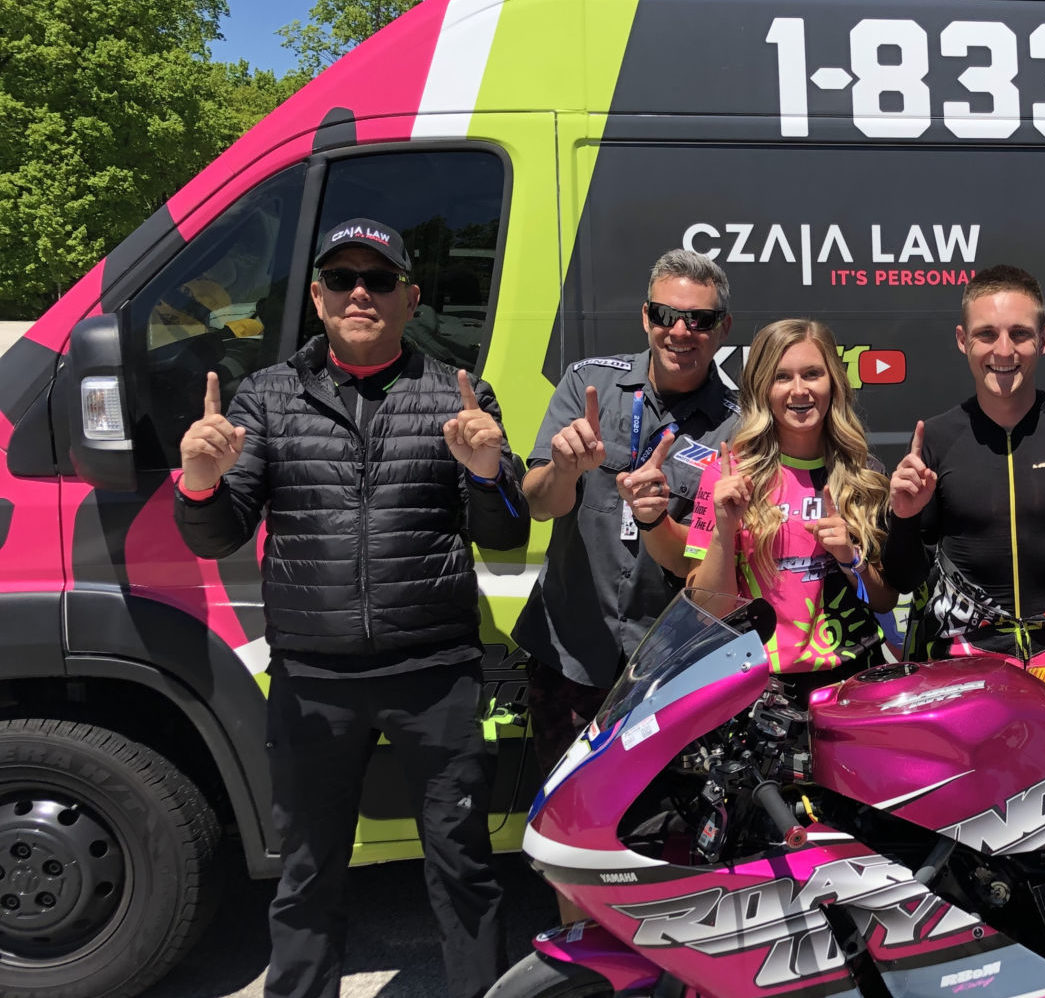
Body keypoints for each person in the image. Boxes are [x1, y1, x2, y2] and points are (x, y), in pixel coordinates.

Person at [174, 217, 524, 998]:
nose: (359, 292)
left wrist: (486, 470)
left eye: (379, 279)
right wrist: (200, 481)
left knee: (465, 868)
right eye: (342, 279)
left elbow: (504, 534)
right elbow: (217, 532)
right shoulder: (267, 394)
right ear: (318, 297)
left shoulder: (457, 392)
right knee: (306, 875)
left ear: (411, 297)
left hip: (437, 675)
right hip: (312, 678)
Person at [512, 249, 739, 920]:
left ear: (723, 328)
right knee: (573, 847)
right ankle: (586, 980)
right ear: (646, 317)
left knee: (669, 849)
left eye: (700, 320)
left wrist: (664, 516)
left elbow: (723, 559)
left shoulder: (738, 420)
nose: (682, 331)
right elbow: (537, 503)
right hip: (572, 656)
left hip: (671, 671)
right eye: (668, 315)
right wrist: (562, 469)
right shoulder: (589, 383)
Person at [882, 265, 1045, 709]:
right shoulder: (937, 438)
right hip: (966, 673)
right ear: (962, 340)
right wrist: (903, 517)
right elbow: (903, 579)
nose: (1003, 350)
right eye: (986, 334)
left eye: (1019, 334)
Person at [679, 319, 896, 685]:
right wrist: (724, 530)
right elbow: (708, 612)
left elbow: (884, 601)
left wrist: (850, 558)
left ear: (834, 383)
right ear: (762, 387)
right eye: (782, 377)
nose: (799, 390)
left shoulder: (865, 475)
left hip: (852, 681)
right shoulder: (726, 477)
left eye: (812, 374)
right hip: (758, 689)